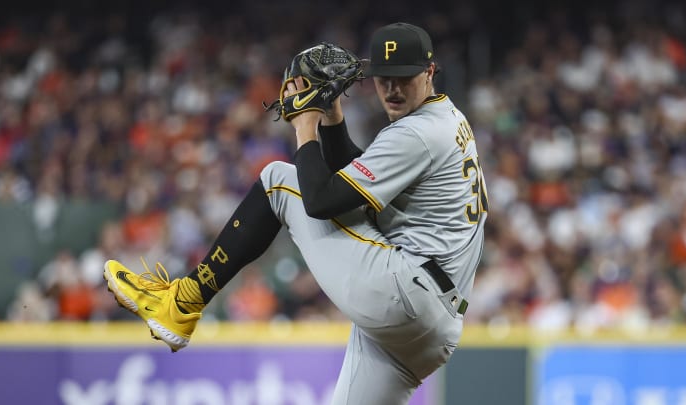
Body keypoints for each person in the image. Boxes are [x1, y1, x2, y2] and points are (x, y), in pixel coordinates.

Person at [104, 22, 488, 404]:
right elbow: (349, 190)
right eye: (383, 77)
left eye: (403, 77)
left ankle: (183, 303)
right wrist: (332, 118)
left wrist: (306, 126)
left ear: (430, 72)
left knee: (278, 180)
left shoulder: (415, 133)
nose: (391, 88)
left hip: (407, 294)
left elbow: (320, 201)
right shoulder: (446, 121)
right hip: (429, 327)